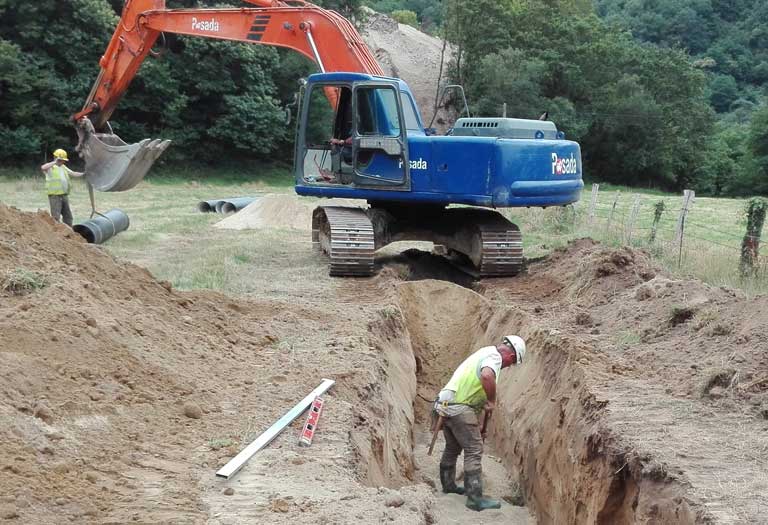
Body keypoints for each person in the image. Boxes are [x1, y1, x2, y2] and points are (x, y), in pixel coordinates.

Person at [434, 335, 526, 512]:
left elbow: (476, 395)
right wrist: (492, 399)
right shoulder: (495, 358)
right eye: (511, 364)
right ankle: (475, 499)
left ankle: (448, 485)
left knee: (452, 448)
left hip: (446, 404)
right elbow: (486, 376)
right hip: (459, 406)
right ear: (512, 357)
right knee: (474, 449)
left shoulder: (485, 352)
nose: (508, 367)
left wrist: (480, 425)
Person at [40, 149, 84, 226]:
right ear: (57, 158)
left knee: (68, 216)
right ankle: (57, 234)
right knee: (55, 217)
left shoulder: (63, 167)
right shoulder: (51, 167)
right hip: (55, 196)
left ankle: (70, 231)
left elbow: (73, 173)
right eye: (62, 160)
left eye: (64, 160)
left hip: (64, 195)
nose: (63, 162)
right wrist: (55, 162)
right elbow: (43, 167)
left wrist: (84, 173)